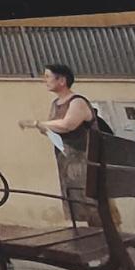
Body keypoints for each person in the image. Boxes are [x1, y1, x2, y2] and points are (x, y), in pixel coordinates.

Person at [19, 63, 116, 227]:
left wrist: (37, 123)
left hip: (87, 160)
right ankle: (94, 236)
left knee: (96, 205)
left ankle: (110, 237)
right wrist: (44, 127)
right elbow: (53, 127)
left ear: (62, 80)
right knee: (79, 205)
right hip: (67, 162)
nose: (45, 80)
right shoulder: (55, 104)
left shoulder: (77, 102)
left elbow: (68, 125)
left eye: (48, 77)